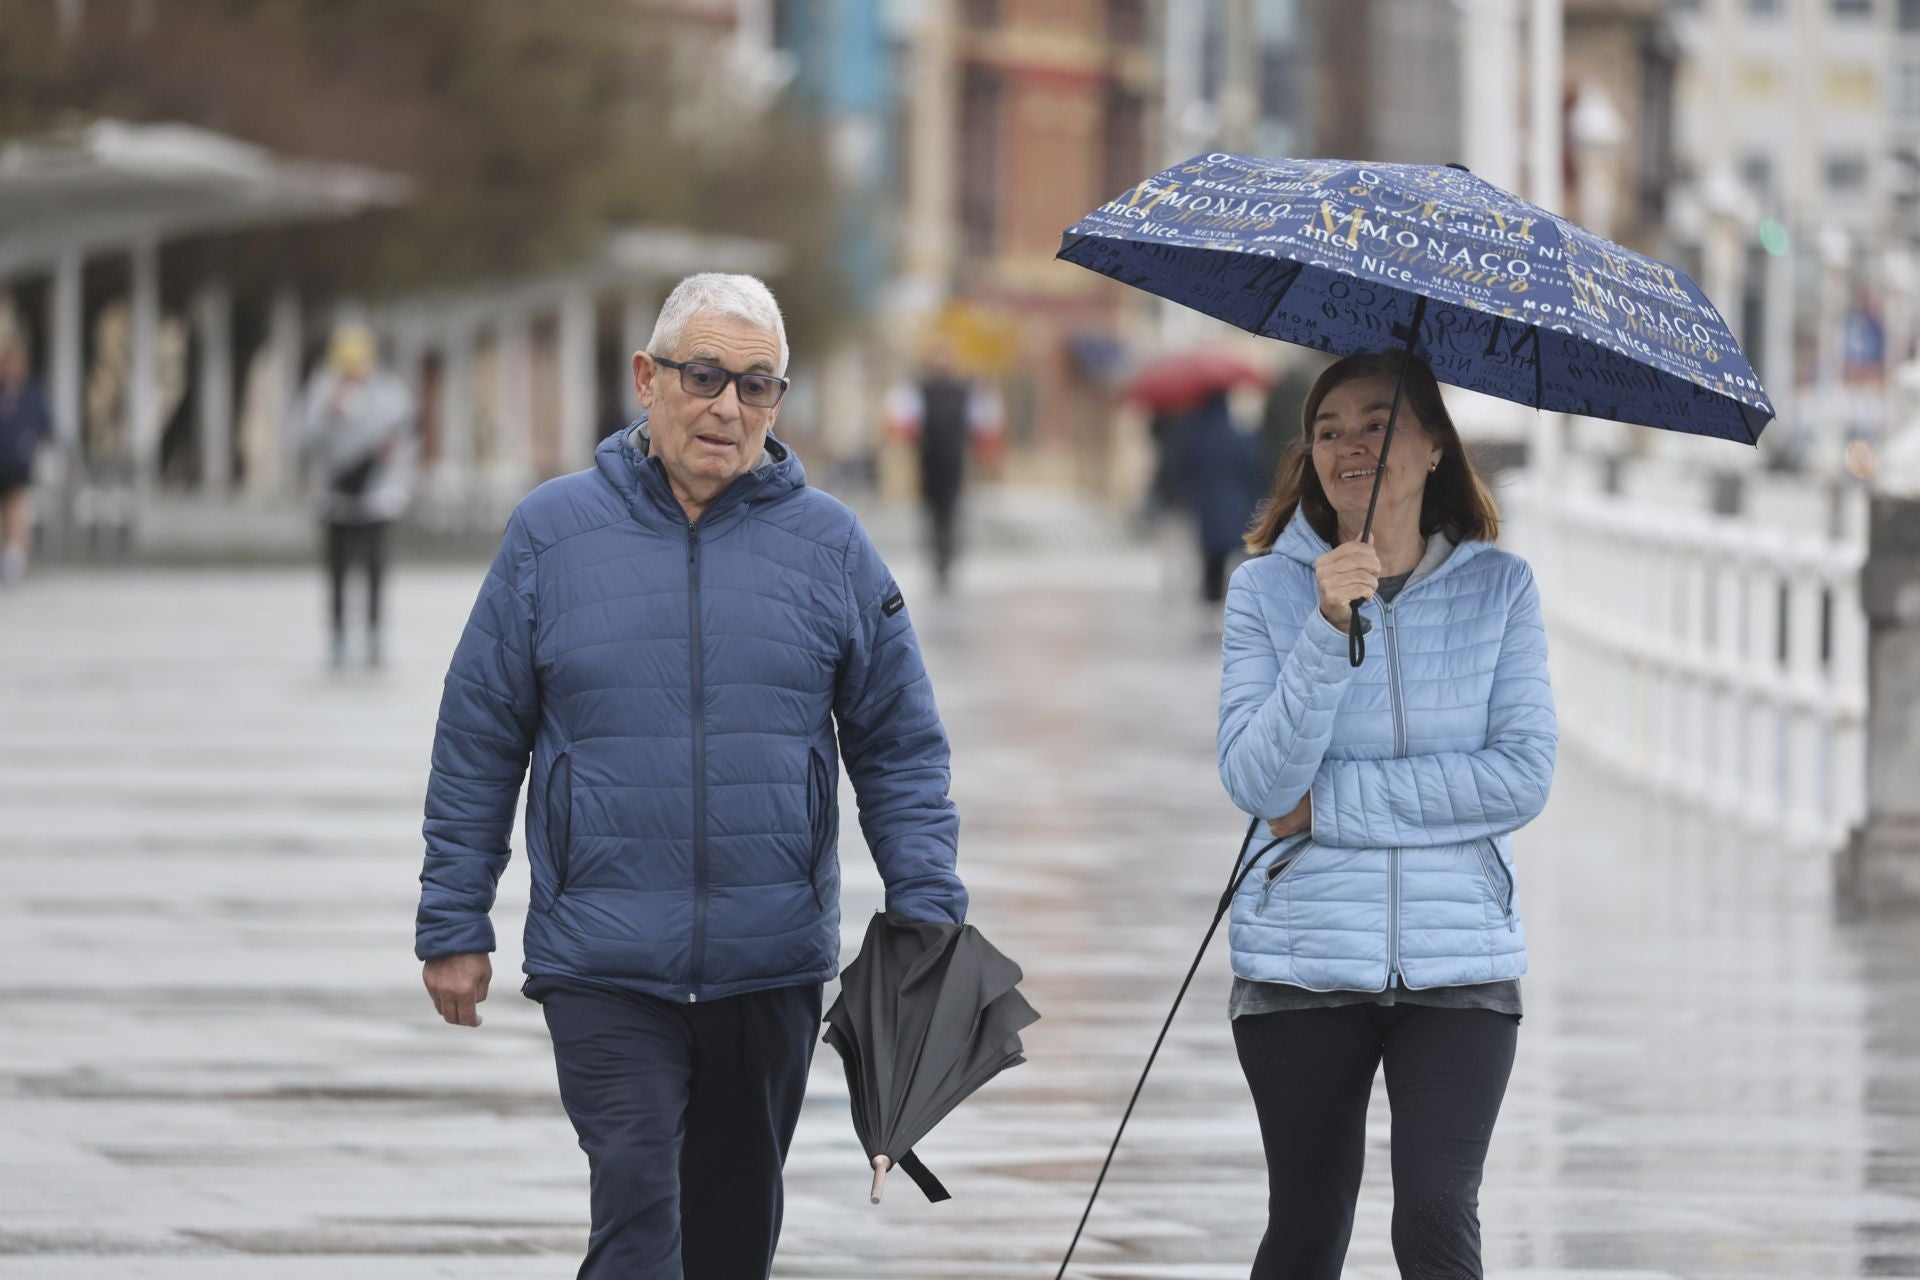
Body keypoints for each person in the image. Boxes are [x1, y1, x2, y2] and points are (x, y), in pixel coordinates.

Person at [414, 273, 968, 1280]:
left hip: (772, 965)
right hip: (605, 959)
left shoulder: (832, 546)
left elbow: (899, 741)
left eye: (757, 385)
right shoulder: (550, 534)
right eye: (705, 375)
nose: (728, 406)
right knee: (636, 1209)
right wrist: (454, 920)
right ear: (647, 378)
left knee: (729, 1237)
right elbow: (479, 734)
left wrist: (926, 903)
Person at [1216, 350, 1557, 1279]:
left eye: (1377, 422)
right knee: (1307, 1227)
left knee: (1438, 1224)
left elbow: (1521, 776)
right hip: (1302, 957)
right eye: (1327, 430)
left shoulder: (1501, 589)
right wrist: (1328, 628)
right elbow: (1256, 781)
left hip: (1462, 963)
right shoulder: (1264, 590)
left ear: (1435, 446)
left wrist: (1327, 806)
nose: (1350, 444)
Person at [302, 324, 416, 668]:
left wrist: (388, 452)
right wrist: (327, 413)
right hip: (335, 497)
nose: (352, 373)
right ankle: (337, 635)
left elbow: (407, 435)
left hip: (376, 496)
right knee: (335, 570)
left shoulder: (389, 391)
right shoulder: (321, 391)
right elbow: (302, 437)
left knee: (375, 569)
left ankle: (374, 634)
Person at [885, 343, 1003, 592]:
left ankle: (946, 561)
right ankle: (938, 561)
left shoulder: (965, 391)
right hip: (929, 459)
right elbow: (903, 419)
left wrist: (985, 448)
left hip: (954, 460)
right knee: (932, 511)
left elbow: (983, 421)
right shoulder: (919, 389)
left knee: (950, 510)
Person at [1182, 390, 1262, 604]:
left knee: (1213, 558)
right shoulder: (1240, 435)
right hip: (1237, 503)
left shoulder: (1197, 437)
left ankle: (1212, 600)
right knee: (1244, 553)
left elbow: (1187, 470)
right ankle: (1245, 599)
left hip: (1208, 505)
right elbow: (1254, 466)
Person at [0, 322, 53, 584]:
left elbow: (46, 426)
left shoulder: (32, 394)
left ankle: (14, 558)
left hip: (18, 463)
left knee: (16, 506)